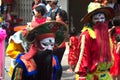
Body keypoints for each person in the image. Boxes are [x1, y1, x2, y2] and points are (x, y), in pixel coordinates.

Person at [74, 2, 115, 80]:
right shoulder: (87, 35)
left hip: (105, 75)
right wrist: (82, 76)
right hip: (92, 76)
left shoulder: (106, 33)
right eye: (96, 18)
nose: (100, 20)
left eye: (102, 18)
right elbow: (83, 56)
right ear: (91, 20)